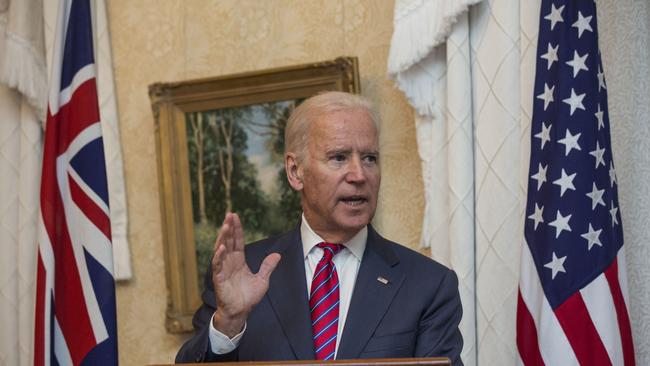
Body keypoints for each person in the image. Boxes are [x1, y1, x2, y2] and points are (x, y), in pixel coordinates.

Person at [175, 91, 463, 365]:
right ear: (295, 171)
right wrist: (229, 322)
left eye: (369, 158)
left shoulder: (428, 285)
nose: (359, 175)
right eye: (339, 157)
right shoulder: (245, 271)